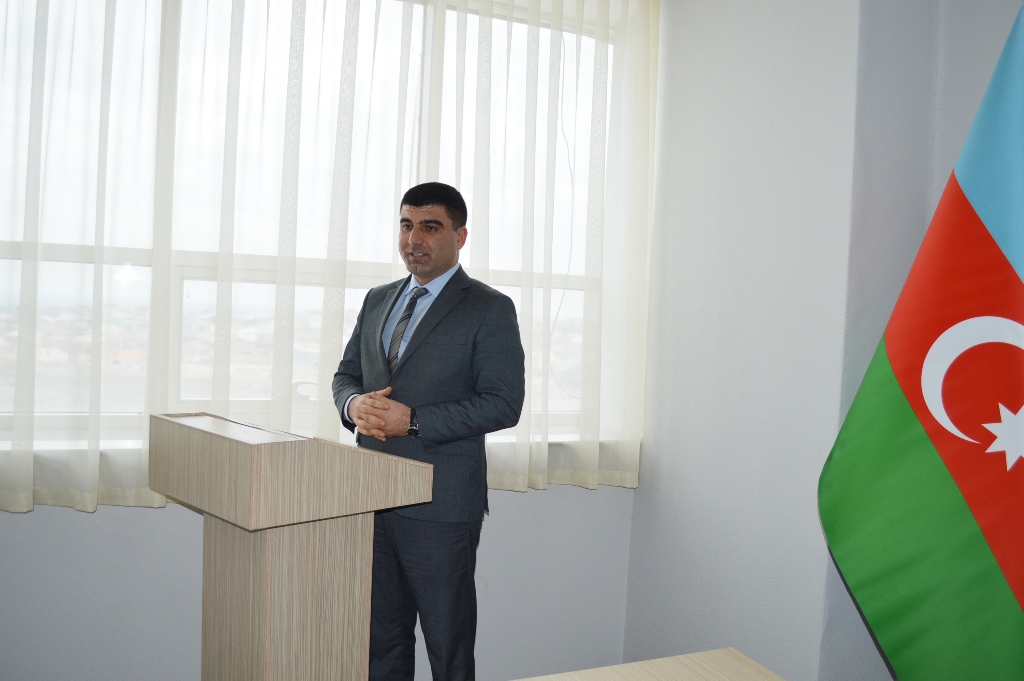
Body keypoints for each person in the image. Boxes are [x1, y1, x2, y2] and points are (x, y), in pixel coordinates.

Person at [332, 182, 525, 680]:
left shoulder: (489, 307)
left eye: (430, 227)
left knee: (447, 646)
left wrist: (413, 421)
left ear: (460, 236)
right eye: (406, 225)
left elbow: (504, 403)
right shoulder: (378, 298)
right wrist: (354, 405)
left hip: (441, 506)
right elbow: (346, 375)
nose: (413, 239)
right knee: (380, 641)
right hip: (371, 497)